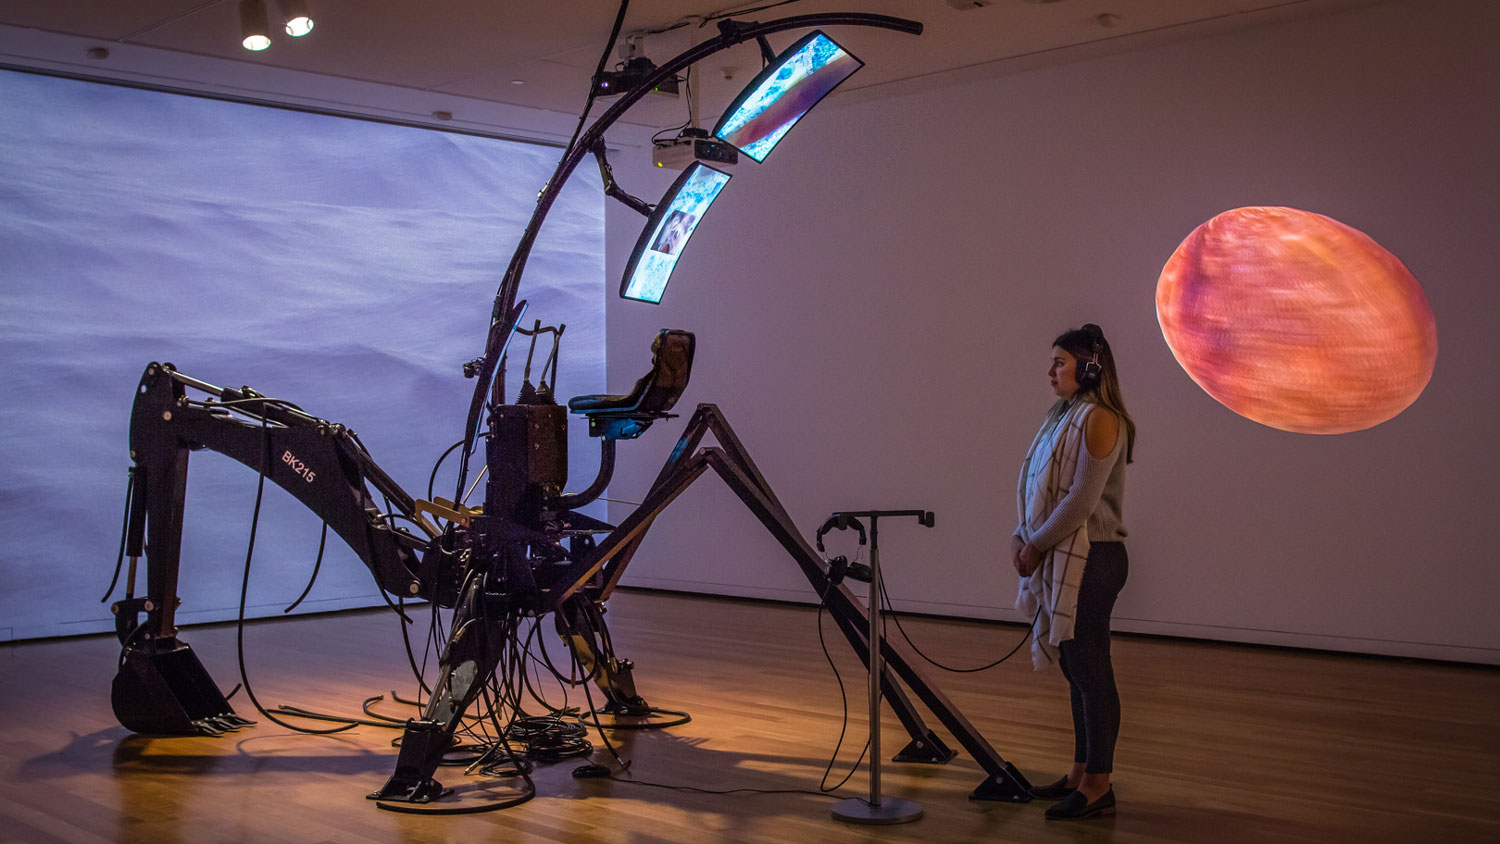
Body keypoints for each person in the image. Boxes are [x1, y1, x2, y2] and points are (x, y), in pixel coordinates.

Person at [1011, 323, 1136, 821]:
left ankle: (1098, 784)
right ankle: (1081, 771)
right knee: (1074, 668)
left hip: (1096, 558)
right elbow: (1033, 485)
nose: (1050, 372)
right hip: (1065, 554)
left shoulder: (1101, 419)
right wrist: (1020, 536)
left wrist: (1036, 545)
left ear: (1088, 370)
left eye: (1059, 362)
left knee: (1090, 668)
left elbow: (1080, 501)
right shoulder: (1062, 417)